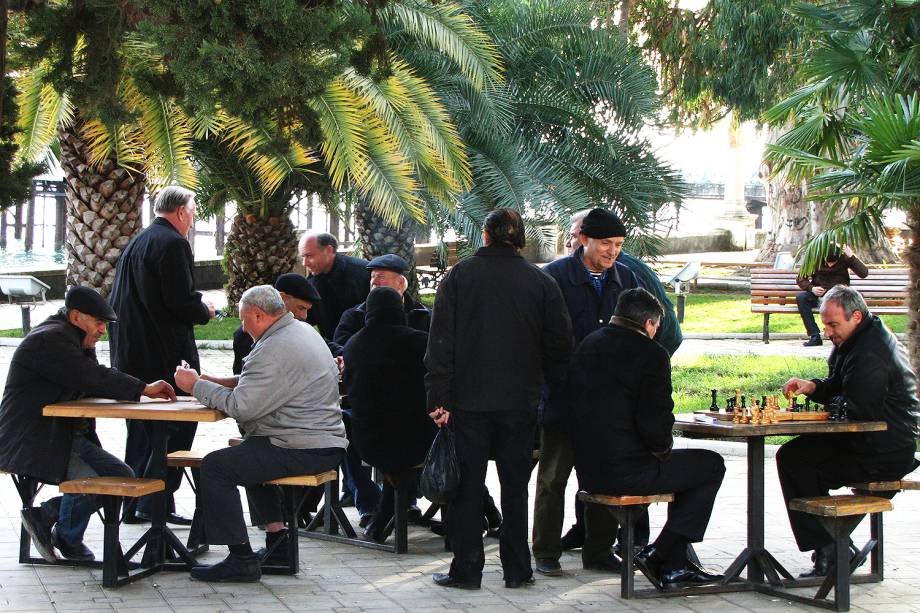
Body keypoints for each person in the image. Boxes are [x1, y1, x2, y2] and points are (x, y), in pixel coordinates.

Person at [425, 208, 573, 590]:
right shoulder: (540, 282)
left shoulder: (459, 277)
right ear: (520, 239)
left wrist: (438, 396)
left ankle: (467, 569)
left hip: (467, 402)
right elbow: (560, 345)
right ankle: (518, 570)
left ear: (485, 236)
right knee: (514, 488)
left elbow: (440, 341)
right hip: (520, 402)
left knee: (468, 487)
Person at [174, 285, 347, 583]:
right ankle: (277, 544)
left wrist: (195, 387)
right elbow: (259, 381)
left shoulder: (273, 348)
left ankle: (240, 558)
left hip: (303, 447)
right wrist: (210, 380)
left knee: (216, 467)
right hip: (321, 442)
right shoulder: (300, 331)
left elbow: (242, 408)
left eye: (243, 320)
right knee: (249, 451)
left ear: (257, 314)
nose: (243, 327)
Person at [0, 287, 176, 563]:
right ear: (75, 317)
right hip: (32, 439)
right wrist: (143, 389)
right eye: (99, 322)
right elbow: (92, 378)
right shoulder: (51, 340)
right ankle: (56, 526)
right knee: (95, 480)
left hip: (60, 436)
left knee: (121, 475)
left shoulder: (73, 339)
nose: (103, 330)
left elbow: (95, 376)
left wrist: (136, 386)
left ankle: (54, 523)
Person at [571, 288, 725, 588]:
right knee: (710, 465)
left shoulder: (588, 344)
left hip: (588, 470)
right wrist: (662, 449)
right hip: (628, 472)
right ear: (651, 324)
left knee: (687, 472)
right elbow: (656, 424)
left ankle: (675, 564)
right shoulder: (651, 354)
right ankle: (662, 553)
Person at [777, 285, 919, 577]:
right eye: (825, 325)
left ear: (855, 316)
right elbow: (841, 386)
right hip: (870, 441)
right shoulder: (858, 338)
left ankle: (832, 550)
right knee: (795, 457)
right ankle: (833, 547)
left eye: (832, 324)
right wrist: (813, 387)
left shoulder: (871, 351)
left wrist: (820, 412)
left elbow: (858, 410)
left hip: (884, 450)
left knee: (796, 460)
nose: (828, 332)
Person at [533, 208, 642, 576]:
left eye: (618, 245)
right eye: (606, 244)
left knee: (602, 477)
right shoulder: (553, 278)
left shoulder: (625, 279)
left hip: (608, 403)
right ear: (583, 239)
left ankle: (597, 551)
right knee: (553, 478)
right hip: (563, 397)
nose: (613, 252)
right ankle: (545, 550)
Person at [108, 185, 214, 525]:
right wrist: (205, 311)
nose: (193, 220)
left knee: (141, 432)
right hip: (164, 357)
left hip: (131, 354)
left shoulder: (139, 241)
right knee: (174, 429)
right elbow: (179, 301)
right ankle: (154, 503)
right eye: (193, 213)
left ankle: (139, 502)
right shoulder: (173, 244)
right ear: (181, 212)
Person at [332, 253, 431, 527]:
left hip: (409, 419)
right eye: (372, 279)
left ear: (401, 284)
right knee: (342, 426)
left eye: (382, 279)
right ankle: (368, 503)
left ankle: (403, 504)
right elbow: (337, 346)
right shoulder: (354, 317)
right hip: (376, 416)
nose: (375, 284)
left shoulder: (423, 317)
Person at [565, 209, 682, 355]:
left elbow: (653, 320)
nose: (569, 243)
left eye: (573, 236)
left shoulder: (627, 271)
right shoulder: (563, 272)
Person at [232, 272, 324, 374]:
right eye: (300, 308)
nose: (304, 316)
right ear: (282, 298)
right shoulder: (249, 333)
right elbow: (246, 381)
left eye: (307, 310)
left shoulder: (295, 328)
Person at [333, 254, 431, 348]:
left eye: (381, 276)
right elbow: (341, 349)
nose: (374, 282)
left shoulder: (422, 314)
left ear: (401, 283)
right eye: (372, 276)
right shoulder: (354, 315)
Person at [299, 231, 370, 340]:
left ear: (328, 250)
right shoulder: (310, 283)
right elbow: (306, 320)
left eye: (309, 256)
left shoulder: (363, 273)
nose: (305, 263)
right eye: (303, 257)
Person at [795, 245, 868, 346]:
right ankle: (814, 336)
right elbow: (800, 279)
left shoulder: (846, 258)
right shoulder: (815, 258)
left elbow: (864, 273)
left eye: (832, 263)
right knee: (801, 297)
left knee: (858, 297)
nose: (829, 265)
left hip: (839, 296)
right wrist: (811, 288)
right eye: (827, 262)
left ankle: (853, 336)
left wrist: (851, 255)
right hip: (819, 295)